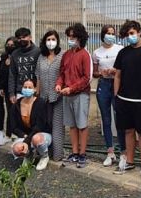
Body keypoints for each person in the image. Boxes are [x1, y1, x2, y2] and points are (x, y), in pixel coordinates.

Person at [112, 20, 141, 177]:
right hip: (123, 99)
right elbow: (118, 75)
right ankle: (130, 161)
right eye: (127, 34)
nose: (130, 37)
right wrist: (116, 96)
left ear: (139, 32)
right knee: (128, 131)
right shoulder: (123, 53)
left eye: (132, 33)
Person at [56, 23, 92, 167]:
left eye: (73, 37)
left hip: (80, 94)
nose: (70, 39)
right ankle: (75, 152)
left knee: (82, 125)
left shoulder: (85, 54)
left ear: (80, 37)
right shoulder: (66, 55)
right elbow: (61, 74)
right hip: (67, 94)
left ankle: (82, 154)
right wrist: (59, 84)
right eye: (69, 36)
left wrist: (71, 88)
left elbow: (87, 77)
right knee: (72, 125)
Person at [92, 24, 125, 166]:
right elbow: (94, 73)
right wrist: (102, 73)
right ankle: (110, 152)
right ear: (103, 35)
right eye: (108, 33)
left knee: (120, 119)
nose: (110, 35)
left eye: (112, 33)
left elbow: (125, 67)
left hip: (118, 85)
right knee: (106, 120)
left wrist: (115, 71)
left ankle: (123, 153)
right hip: (104, 85)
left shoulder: (120, 49)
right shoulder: (96, 52)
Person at [10, 78, 53, 170]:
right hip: (25, 135)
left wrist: (26, 141)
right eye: (25, 87)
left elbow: (39, 126)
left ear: (34, 90)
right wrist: (24, 136)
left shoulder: (40, 103)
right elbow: (13, 127)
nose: (27, 89)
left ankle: (44, 156)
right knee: (16, 149)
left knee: (36, 138)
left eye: (30, 87)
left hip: (41, 134)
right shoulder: (16, 105)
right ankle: (28, 155)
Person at [35, 30, 64, 161]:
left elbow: (64, 75)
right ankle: (45, 153)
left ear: (57, 41)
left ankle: (57, 155)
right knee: (45, 124)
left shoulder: (62, 56)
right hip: (43, 96)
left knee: (57, 125)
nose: (50, 42)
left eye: (53, 39)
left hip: (58, 96)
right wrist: (37, 91)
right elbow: (38, 76)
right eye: (48, 39)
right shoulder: (41, 57)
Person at [8, 27, 41, 104]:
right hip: (20, 91)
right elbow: (12, 74)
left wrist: (38, 89)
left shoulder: (38, 52)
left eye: (24, 37)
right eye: (19, 38)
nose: (21, 40)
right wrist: (11, 93)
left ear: (30, 37)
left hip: (35, 91)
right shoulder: (14, 54)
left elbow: (41, 73)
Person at [0, 37, 17, 137]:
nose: (9, 47)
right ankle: (9, 133)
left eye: (12, 45)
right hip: (6, 88)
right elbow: (1, 72)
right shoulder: (4, 56)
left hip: (16, 87)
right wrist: (1, 87)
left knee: (16, 110)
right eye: (8, 45)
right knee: (9, 110)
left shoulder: (17, 57)